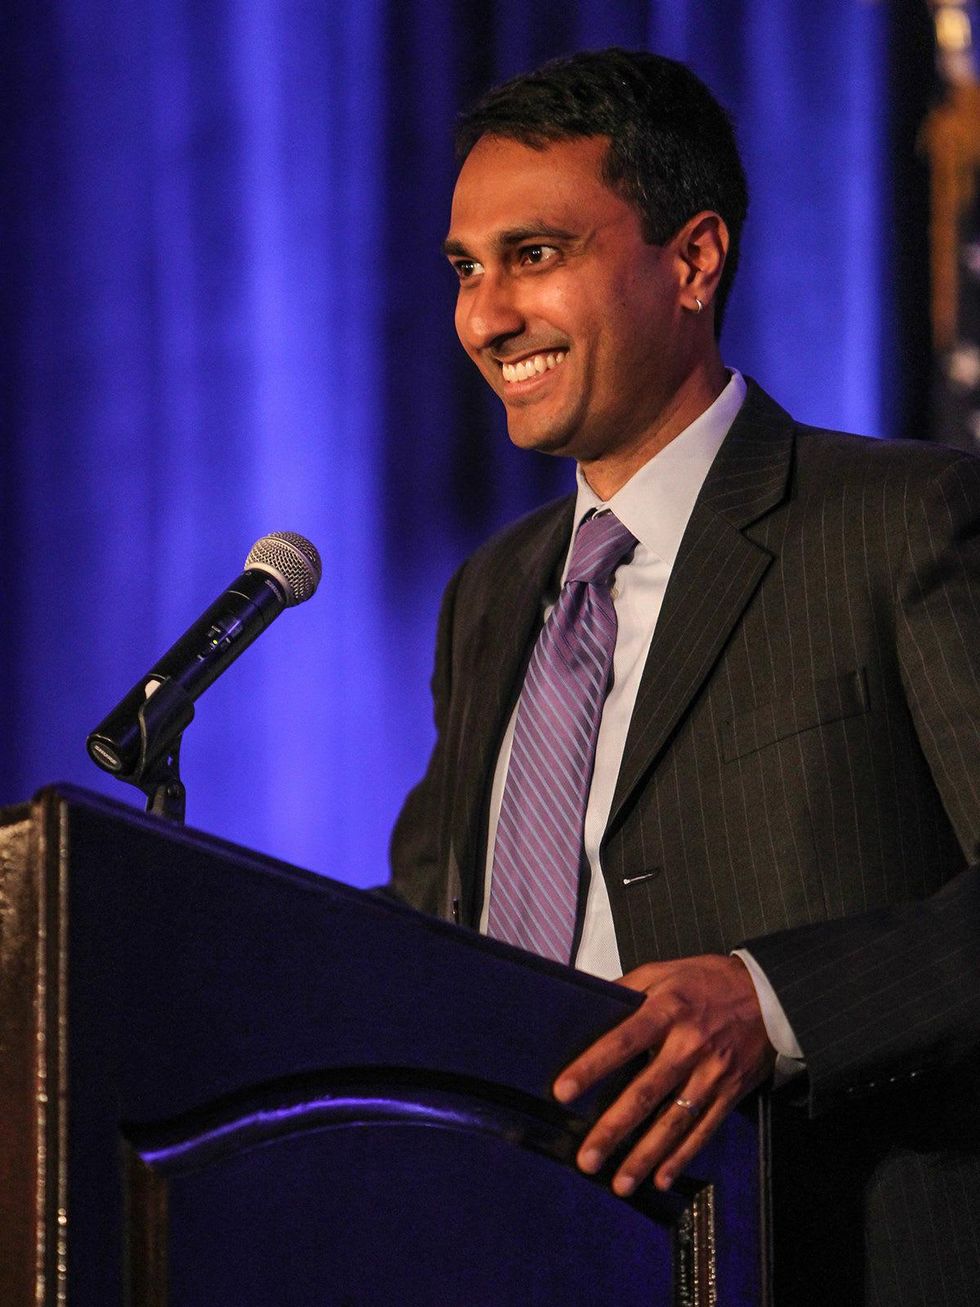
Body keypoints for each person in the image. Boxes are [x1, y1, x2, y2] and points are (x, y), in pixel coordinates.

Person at [389, 48, 980, 1304]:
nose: (485, 315)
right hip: (516, 1250)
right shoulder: (488, 596)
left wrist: (771, 1004)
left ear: (692, 259)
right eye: (465, 267)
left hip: (818, 1249)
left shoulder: (901, 524)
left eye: (534, 254)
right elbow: (430, 928)